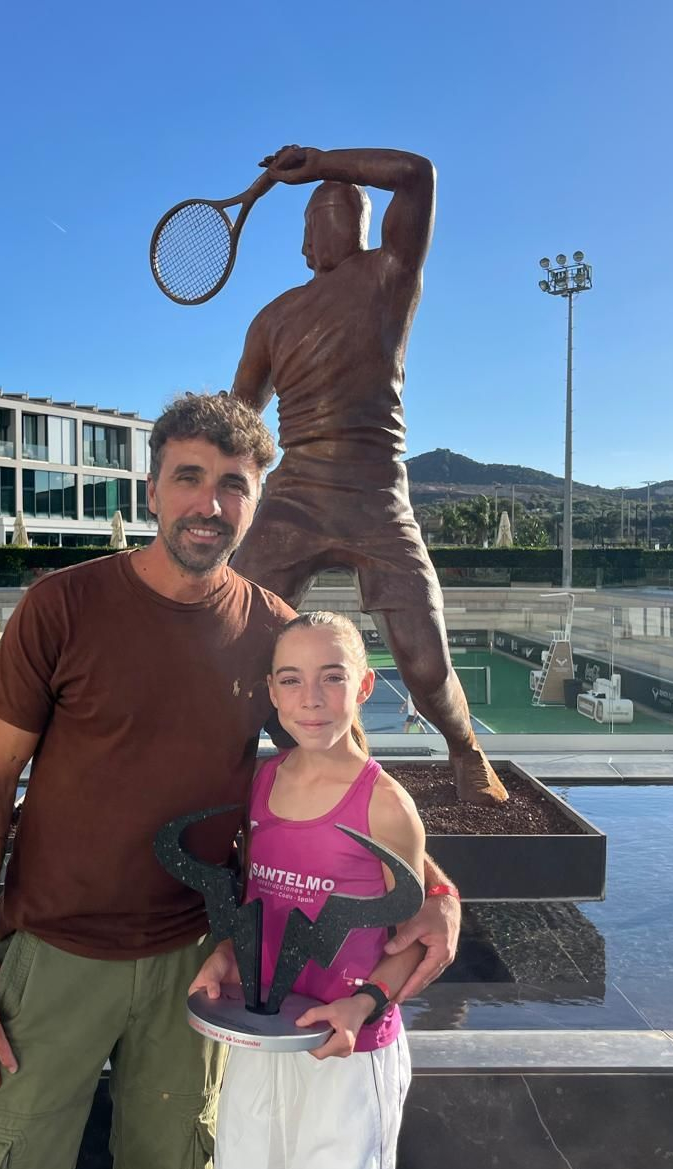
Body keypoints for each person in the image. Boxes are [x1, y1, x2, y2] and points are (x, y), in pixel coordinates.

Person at [0, 393, 463, 1169]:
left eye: (234, 485)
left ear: (255, 502)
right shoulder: (62, 607)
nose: (209, 504)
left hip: (198, 967)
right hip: (57, 957)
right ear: (150, 490)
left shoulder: (270, 635)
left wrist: (443, 890)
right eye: (189, 477)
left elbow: (344, 775)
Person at [229, 144, 507, 809]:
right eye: (312, 221)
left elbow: (417, 175)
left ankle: (467, 750)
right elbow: (238, 417)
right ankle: (271, 763)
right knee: (232, 638)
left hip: (377, 490)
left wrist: (326, 162)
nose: (315, 236)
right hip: (294, 494)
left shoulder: (389, 275)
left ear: (349, 223)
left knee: (423, 660)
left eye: (329, 213)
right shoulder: (273, 317)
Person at [190, 611, 426, 1169]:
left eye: (332, 677)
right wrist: (225, 954)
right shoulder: (262, 784)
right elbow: (257, 901)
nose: (311, 699)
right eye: (291, 680)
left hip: (345, 1053)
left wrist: (363, 1005)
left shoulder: (386, 806)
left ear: (365, 686)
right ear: (272, 692)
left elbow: (415, 939)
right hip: (262, 1035)